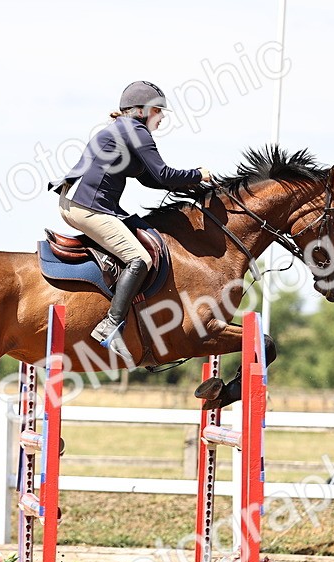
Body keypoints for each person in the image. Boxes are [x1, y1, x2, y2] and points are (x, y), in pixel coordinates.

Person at [52, 80, 211, 359]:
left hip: (80, 202)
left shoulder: (124, 129)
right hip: (87, 207)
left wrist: (192, 187)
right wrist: (197, 175)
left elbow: (151, 180)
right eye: (158, 111)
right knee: (140, 259)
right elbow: (163, 175)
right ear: (140, 110)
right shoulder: (136, 130)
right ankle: (110, 325)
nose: (161, 118)